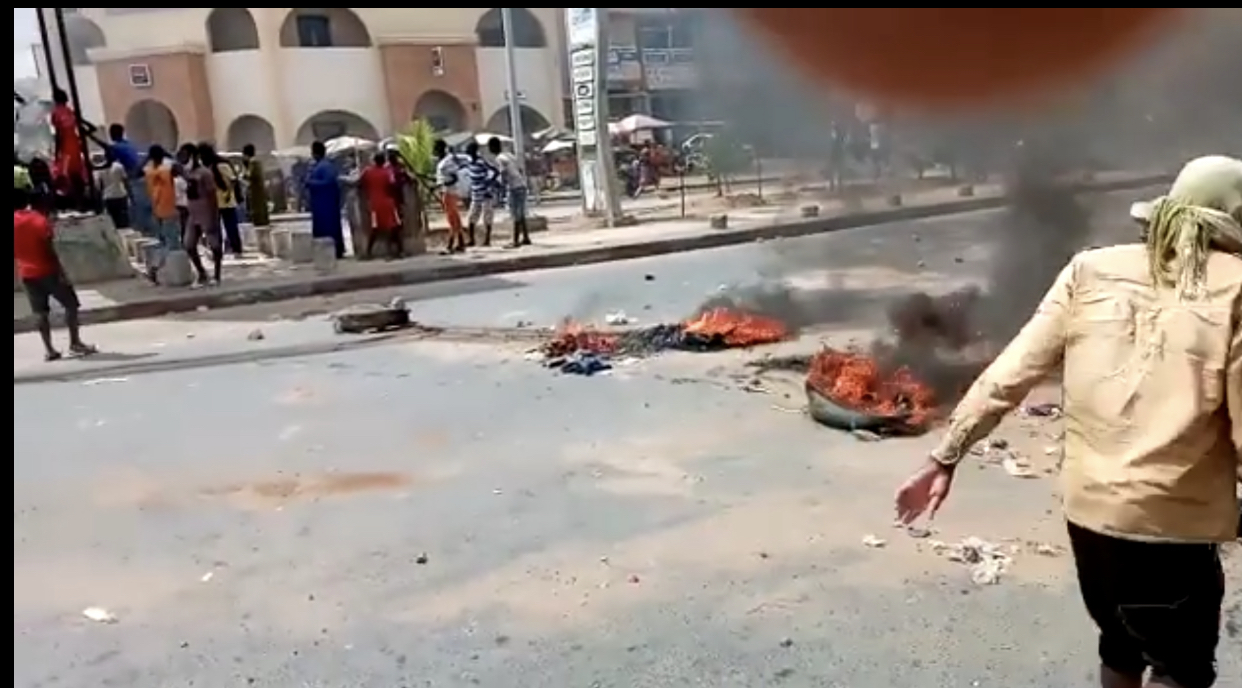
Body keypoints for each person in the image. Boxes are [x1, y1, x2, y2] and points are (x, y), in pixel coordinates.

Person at [895, 155, 1242, 688]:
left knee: (1121, 646)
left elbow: (1012, 370)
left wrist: (945, 455)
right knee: (1182, 668)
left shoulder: (1091, 269)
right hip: (1173, 527)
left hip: (1089, 519)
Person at [14, 169, 95, 361]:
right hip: (47, 270)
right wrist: (61, 272)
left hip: (26, 273)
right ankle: (75, 342)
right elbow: (49, 250)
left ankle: (49, 349)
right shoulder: (40, 222)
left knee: (40, 313)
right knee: (71, 304)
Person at [184, 143, 225, 285]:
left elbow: (212, 195)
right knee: (189, 245)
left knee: (214, 244)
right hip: (192, 213)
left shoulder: (205, 173)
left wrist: (213, 215)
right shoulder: (186, 173)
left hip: (206, 212)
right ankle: (201, 272)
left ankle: (217, 274)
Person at [141, 145, 183, 284]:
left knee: (163, 241)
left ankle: (157, 268)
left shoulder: (149, 170)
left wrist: (147, 158)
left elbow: (135, 171)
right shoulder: (167, 169)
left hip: (157, 209)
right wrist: (169, 156)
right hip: (169, 208)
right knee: (172, 244)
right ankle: (157, 268)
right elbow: (180, 168)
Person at [49, 88, 90, 209]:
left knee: (66, 175)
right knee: (76, 173)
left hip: (66, 146)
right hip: (75, 144)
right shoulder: (70, 111)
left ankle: (76, 202)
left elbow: (59, 134)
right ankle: (81, 201)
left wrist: (57, 152)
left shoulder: (56, 113)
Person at [488, 136, 531, 248]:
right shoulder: (509, 155)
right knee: (520, 213)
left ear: (493, 147)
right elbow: (520, 169)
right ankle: (526, 237)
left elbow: (503, 174)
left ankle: (515, 241)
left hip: (514, 187)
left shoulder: (499, 159)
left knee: (515, 214)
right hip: (521, 184)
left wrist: (500, 187)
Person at [359, 152, 403, 259]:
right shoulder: (388, 172)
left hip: (374, 202)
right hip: (388, 202)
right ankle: (395, 252)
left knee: (375, 228)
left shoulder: (368, 172)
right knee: (392, 226)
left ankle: (368, 252)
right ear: (384, 161)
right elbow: (393, 185)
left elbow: (360, 183)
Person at [305, 140, 345, 258]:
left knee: (329, 227)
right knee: (321, 227)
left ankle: (335, 250)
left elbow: (329, 181)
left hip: (327, 203)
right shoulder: (316, 166)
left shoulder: (326, 166)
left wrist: (311, 183)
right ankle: (323, 250)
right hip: (319, 203)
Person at [202, 144, 243, 256]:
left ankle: (234, 248)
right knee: (219, 228)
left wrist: (229, 193)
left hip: (225, 200)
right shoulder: (208, 166)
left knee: (229, 227)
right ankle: (221, 249)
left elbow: (233, 181)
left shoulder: (221, 164)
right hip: (215, 202)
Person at [434, 139, 469, 253]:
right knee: (454, 219)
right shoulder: (443, 161)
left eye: (436, 148)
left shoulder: (448, 161)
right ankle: (460, 243)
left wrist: (441, 184)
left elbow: (454, 178)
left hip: (450, 192)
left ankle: (451, 244)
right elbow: (443, 178)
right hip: (447, 192)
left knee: (452, 219)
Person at [463, 140, 499, 247]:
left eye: (469, 150)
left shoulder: (481, 162)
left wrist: (489, 181)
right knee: (471, 217)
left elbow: (495, 171)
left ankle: (487, 240)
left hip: (485, 193)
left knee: (487, 217)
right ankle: (471, 240)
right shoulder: (469, 162)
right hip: (475, 193)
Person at [99, 148, 130, 230]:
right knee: (123, 223)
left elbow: (101, 186)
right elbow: (125, 182)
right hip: (120, 195)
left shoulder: (101, 168)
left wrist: (101, 201)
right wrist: (130, 196)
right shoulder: (119, 167)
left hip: (108, 197)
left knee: (112, 223)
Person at [242, 144, 270, 227]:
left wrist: (244, 173)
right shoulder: (257, 162)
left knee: (258, 211)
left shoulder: (253, 163)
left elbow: (250, 175)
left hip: (256, 191)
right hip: (259, 191)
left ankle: (261, 225)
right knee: (261, 209)